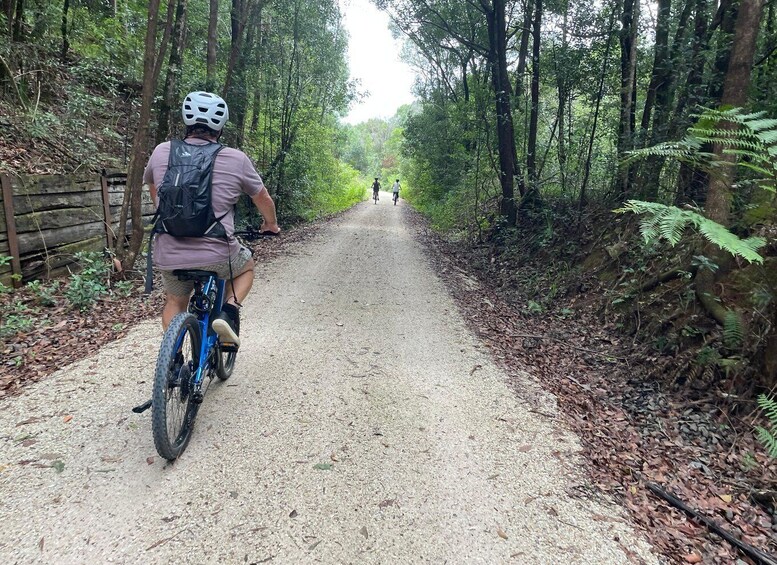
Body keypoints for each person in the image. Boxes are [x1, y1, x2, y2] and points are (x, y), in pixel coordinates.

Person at [143, 91, 280, 350]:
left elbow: (153, 187)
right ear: (220, 125)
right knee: (246, 266)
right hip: (218, 253)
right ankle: (228, 311)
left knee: (175, 300)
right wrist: (270, 225)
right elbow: (262, 198)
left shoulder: (162, 151)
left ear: (186, 120)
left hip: (169, 252)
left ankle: (172, 360)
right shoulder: (236, 158)